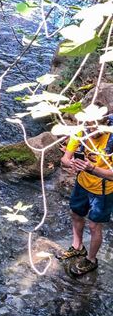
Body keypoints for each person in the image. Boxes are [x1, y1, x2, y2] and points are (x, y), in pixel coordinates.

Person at [57, 117, 113, 275]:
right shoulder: (80, 131)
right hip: (82, 183)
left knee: (94, 226)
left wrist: (91, 168)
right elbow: (64, 158)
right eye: (90, 129)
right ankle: (77, 247)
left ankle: (91, 260)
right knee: (76, 214)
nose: (93, 133)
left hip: (103, 189)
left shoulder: (111, 138)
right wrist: (72, 163)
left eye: (97, 130)